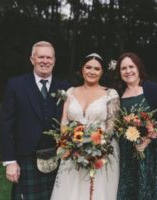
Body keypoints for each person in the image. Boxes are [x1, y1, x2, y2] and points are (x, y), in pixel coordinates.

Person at [0, 41, 70, 200]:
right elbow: (6, 125)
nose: (45, 61)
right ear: (32, 59)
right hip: (26, 157)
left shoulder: (65, 86)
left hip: (58, 158)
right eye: (41, 57)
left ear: (54, 60)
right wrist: (10, 161)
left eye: (49, 57)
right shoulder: (16, 85)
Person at [50, 53, 120, 200]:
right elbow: (64, 122)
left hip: (100, 151)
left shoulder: (110, 94)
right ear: (82, 69)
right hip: (72, 151)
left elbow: (111, 126)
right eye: (88, 67)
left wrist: (95, 148)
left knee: (96, 192)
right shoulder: (70, 92)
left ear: (102, 72)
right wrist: (71, 144)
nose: (92, 71)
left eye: (97, 68)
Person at [115, 52, 157, 200]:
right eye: (123, 68)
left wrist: (149, 138)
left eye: (131, 66)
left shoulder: (153, 89)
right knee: (131, 188)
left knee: (155, 188)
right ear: (119, 72)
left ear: (139, 67)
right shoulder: (118, 93)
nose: (128, 71)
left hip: (153, 149)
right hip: (129, 150)